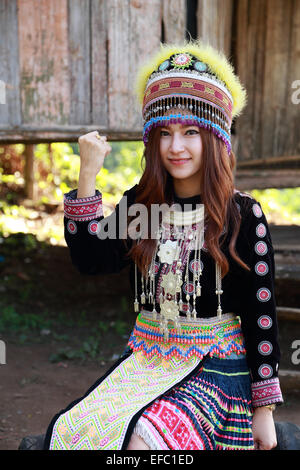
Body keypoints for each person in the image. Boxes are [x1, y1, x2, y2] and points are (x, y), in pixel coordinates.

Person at [44, 40, 283, 451]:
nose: (176, 147)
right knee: (75, 430)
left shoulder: (242, 215)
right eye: (165, 133)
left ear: (216, 138)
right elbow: (91, 261)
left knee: (143, 440)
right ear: (151, 140)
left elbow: (260, 313)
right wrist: (87, 176)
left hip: (216, 368)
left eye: (191, 132)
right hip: (147, 359)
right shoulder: (143, 205)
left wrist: (264, 410)